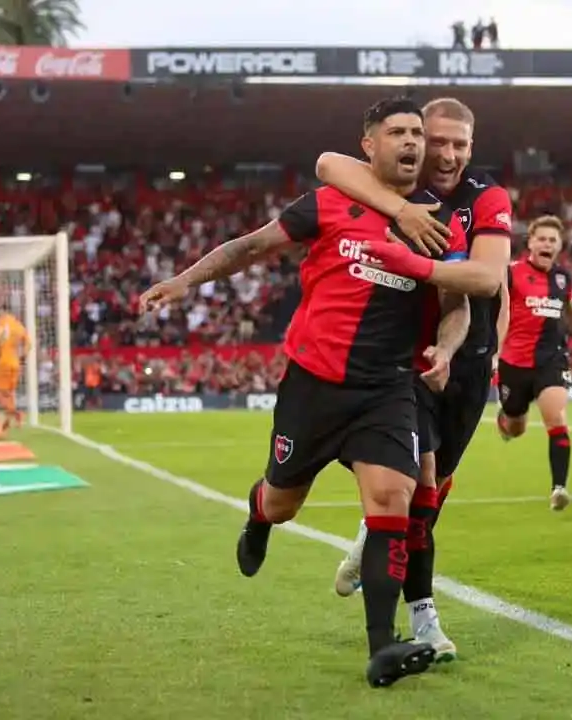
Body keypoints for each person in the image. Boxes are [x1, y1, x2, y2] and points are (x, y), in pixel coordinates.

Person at [138, 97, 471, 689]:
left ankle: (381, 648)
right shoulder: (329, 202)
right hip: (314, 385)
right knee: (283, 501)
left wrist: (445, 348)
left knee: (392, 500)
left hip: (387, 389)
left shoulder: (436, 221)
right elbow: (249, 247)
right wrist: (184, 280)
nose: (413, 142)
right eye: (397, 132)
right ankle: (259, 515)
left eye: (418, 132)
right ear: (368, 145)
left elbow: (456, 304)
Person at [317, 98, 513, 658]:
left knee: (429, 501)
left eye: (461, 144)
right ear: (419, 140)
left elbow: (488, 278)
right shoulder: (396, 186)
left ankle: (371, 532)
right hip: (409, 362)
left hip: (469, 362)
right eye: (439, 141)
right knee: (420, 486)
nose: (448, 154)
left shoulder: (487, 196)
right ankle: (422, 617)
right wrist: (399, 212)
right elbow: (328, 165)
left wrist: (488, 343)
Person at [496, 216, 572, 510]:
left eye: (552, 240)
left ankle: (559, 488)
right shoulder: (511, 274)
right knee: (516, 427)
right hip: (514, 362)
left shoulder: (563, 278)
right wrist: (493, 351)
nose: (547, 244)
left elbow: (570, 311)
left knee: (556, 416)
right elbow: (499, 313)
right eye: (542, 239)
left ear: (560, 245)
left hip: (551, 359)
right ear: (530, 243)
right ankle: (505, 418)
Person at [0, 305, 30, 429]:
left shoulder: (2, 323)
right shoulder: (19, 326)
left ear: (3, 312)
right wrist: (22, 358)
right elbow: (28, 345)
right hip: (15, 362)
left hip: (4, 362)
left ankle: (16, 413)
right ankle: (7, 421)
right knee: (10, 394)